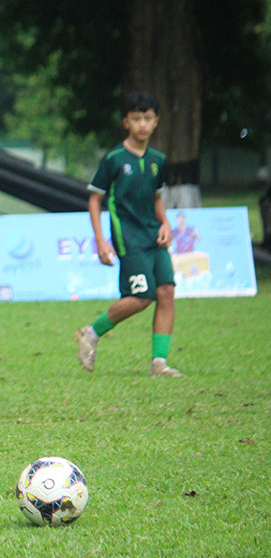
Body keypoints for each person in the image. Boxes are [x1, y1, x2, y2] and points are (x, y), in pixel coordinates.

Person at [75, 92, 182, 378]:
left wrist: (166, 224)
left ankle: (159, 363)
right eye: (136, 119)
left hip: (153, 235)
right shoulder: (113, 159)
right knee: (141, 297)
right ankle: (92, 332)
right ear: (126, 122)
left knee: (166, 291)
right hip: (128, 237)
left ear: (156, 121)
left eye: (148, 118)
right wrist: (100, 240)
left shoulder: (158, 159)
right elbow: (95, 200)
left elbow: (157, 199)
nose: (142, 125)